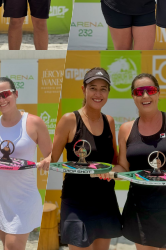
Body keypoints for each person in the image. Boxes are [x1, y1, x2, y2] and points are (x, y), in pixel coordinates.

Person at [98, 73, 166, 250]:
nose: (145, 96)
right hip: (140, 210)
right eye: (139, 92)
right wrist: (110, 173)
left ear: (158, 93)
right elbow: (123, 167)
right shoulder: (126, 129)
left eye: (150, 90)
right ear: (133, 96)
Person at [50, 68, 121, 250]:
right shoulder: (69, 120)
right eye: (93, 88)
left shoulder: (110, 122)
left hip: (105, 201)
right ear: (84, 90)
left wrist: (114, 172)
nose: (98, 94)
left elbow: (116, 162)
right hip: (76, 202)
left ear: (108, 92)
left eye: (103, 89)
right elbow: (53, 158)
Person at [0, 77, 52, 250]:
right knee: (7, 245)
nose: (1, 100)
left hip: (22, 198)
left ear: (16, 94)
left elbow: (51, 154)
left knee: (12, 246)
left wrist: (47, 161)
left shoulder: (34, 122)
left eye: (5, 94)